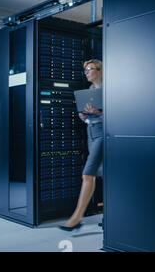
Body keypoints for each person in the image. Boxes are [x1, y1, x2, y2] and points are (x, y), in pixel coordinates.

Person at [59, 59, 103, 231]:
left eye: (89, 69)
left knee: (88, 173)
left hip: (103, 132)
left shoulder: (110, 90)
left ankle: (76, 218)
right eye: (85, 70)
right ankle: (112, 216)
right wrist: (84, 115)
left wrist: (98, 112)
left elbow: (120, 115)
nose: (86, 73)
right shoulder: (90, 91)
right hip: (91, 131)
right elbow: (84, 115)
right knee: (105, 175)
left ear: (100, 70)